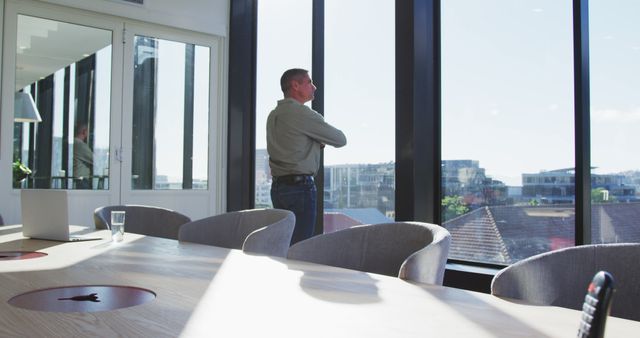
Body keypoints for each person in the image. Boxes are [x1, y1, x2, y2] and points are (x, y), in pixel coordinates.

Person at [267, 68, 347, 245]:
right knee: (300, 248)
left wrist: (312, 142)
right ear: (295, 85)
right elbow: (340, 139)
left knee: (284, 243)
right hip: (300, 189)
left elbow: (291, 146)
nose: (314, 87)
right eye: (309, 82)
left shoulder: (273, 115)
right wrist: (317, 141)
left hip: (278, 189)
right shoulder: (302, 114)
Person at [73, 123, 93, 189]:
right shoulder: (80, 145)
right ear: (84, 131)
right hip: (81, 181)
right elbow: (95, 160)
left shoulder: (71, 143)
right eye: (88, 131)